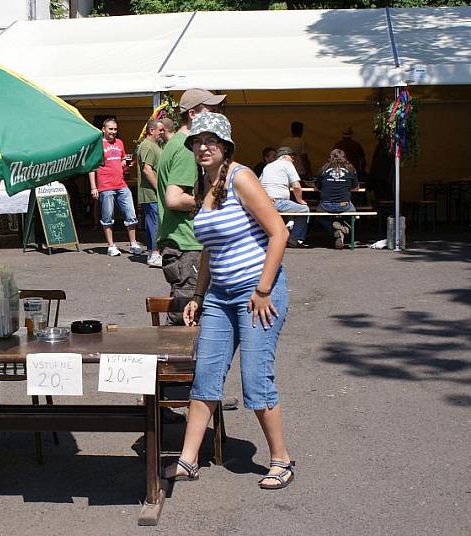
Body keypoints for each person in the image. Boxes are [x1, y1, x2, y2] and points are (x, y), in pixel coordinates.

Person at [162, 112, 294, 490]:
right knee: (205, 376)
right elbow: (209, 249)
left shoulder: (242, 177)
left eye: (211, 141)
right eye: (197, 142)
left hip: (257, 292)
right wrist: (199, 295)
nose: (203, 147)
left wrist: (264, 288)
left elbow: (278, 233)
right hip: (220, 295)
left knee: (255, 378)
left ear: (225, 146)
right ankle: (188, 460)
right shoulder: (205, 185)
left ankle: (280, 459)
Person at [156, 89, 225, 324]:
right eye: (211, 109)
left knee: (184, 316)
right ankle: (179, 362)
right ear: (193, 114)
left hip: (181, 243)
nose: (216, 115)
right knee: (187, 321)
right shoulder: (187, 149)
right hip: (186, 244)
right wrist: (211, 201)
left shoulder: (176, 144)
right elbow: (174, 198)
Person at [88, 118, 143, 256]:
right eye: (110, 129)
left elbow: (123, 158)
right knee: (108, 217)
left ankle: (133, 244)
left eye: (115, 129)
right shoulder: (98, 145)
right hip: (105, 186)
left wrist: (124, 163)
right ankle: (111, 246)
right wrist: (93, 187)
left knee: (131, 214)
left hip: (121, 184)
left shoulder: (119, 142)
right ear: (103, 129)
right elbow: (91, 168)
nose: (113, 132)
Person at [259, 147, 310, 248]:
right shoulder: (287, 164)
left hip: (265, 202)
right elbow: (296, 186)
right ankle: (295, 239)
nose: (293, 159)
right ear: (285, 156)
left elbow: (258, 184)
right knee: (304, 209)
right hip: (279, 202)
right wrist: (300, 200)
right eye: (292, 156)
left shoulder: (268, 166)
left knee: (290, 206)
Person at [314, 148, 359, 249]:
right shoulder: (351, 169)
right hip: (344, 204)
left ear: (330, 157)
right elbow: (356, 188)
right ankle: (345, 228)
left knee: (318, 215)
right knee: (354, 215)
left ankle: (334, 228)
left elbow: (316, 187)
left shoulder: (324, 168)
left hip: (326, 204)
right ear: (344, 157)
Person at [136, 118, 165, 267]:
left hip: (152, 193)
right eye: (160, 130)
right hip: (151, 193)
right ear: (151, 130)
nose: (162, 132)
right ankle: (154, 254)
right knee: (154, 223)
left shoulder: (152, 145)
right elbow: (147, 169)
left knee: (153, 222)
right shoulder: (148, 146)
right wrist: (159, 189)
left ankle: (152, 253)